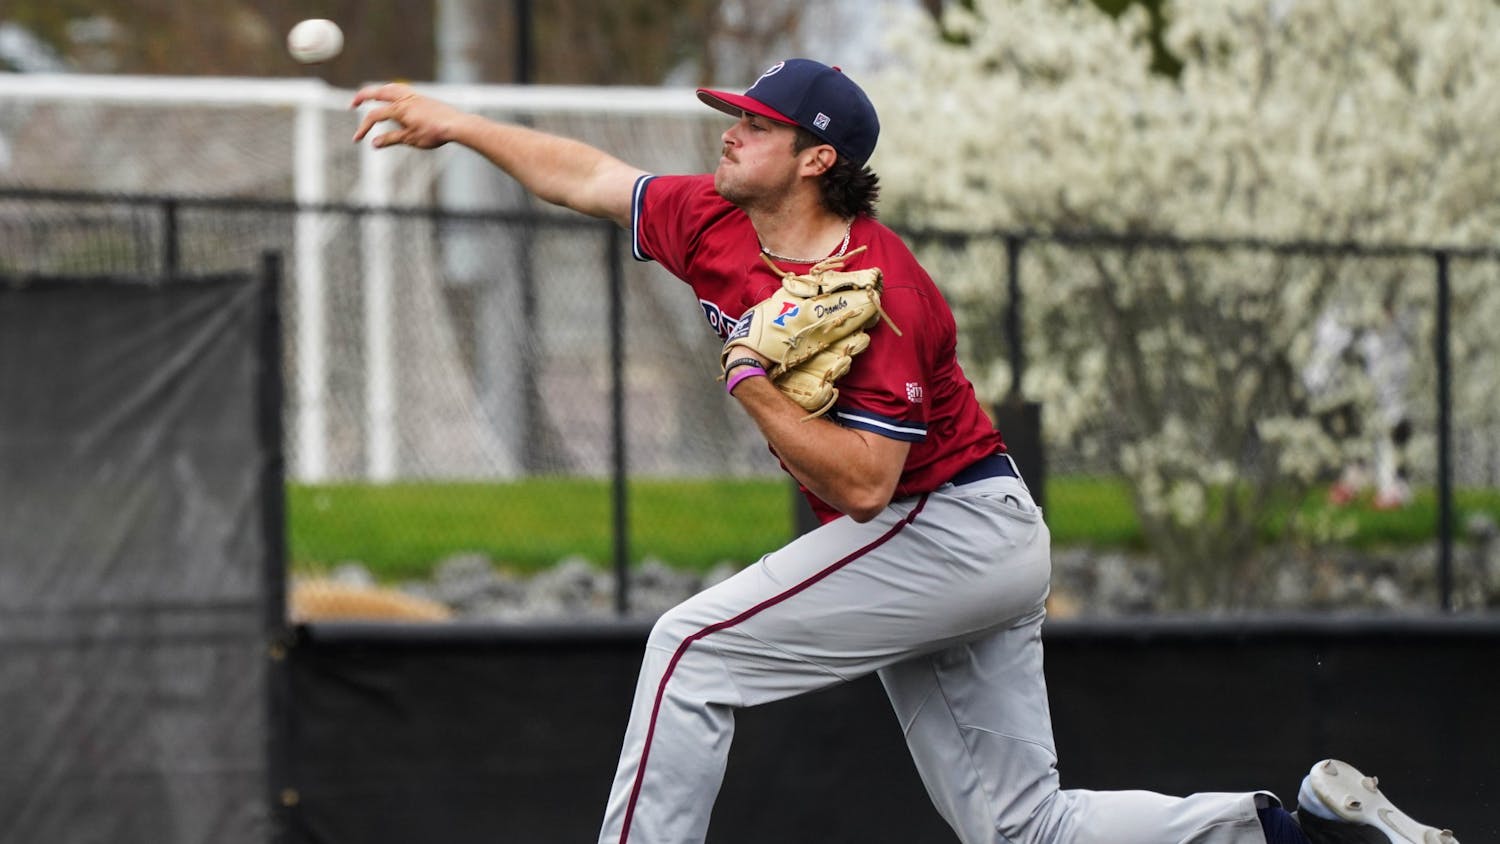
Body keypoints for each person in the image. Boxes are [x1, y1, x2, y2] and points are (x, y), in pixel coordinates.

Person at [351, 59, 1458, 844]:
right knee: (1022, 827)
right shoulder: (717, 223)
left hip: (948, 524)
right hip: (962, 535)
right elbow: (586, 176)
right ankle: (1291, 827)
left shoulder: (882, 293)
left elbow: (869, 486)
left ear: (815, 157)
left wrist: (751, 388)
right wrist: (459, 123)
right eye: (734, 117)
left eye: (754, 124)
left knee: (689, 651)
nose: (729, 132)